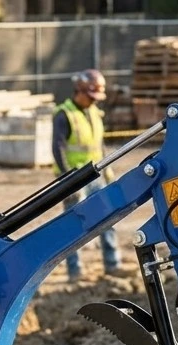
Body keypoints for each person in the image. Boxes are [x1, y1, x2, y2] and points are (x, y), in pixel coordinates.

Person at [52, 68, 121, 282]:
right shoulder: (64, 114)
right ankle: (75, 271)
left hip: (97, 174)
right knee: (75, 226)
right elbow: (58, 147)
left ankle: (112, 264)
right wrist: (67, 180)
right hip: (76, 179)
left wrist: (108, 173)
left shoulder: (93, 112)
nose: (93, 101)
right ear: (79, 91)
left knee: (108, 218)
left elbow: (99, 146)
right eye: (91, 96)